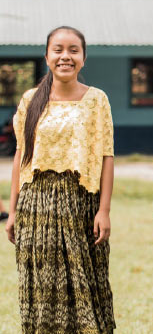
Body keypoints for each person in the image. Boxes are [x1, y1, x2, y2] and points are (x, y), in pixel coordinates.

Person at [4, 26, 115, 333]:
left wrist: (103, 210)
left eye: (73, 50)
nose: (65, 56)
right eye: (58, 50)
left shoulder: (96, 100)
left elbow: (106, 156)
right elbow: (21, 157)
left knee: (85, 283)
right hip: (35, 204)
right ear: (47, 56)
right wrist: (13, 211)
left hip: (81, 202)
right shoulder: (30, 100)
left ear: (83, 58)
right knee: (41, 285)